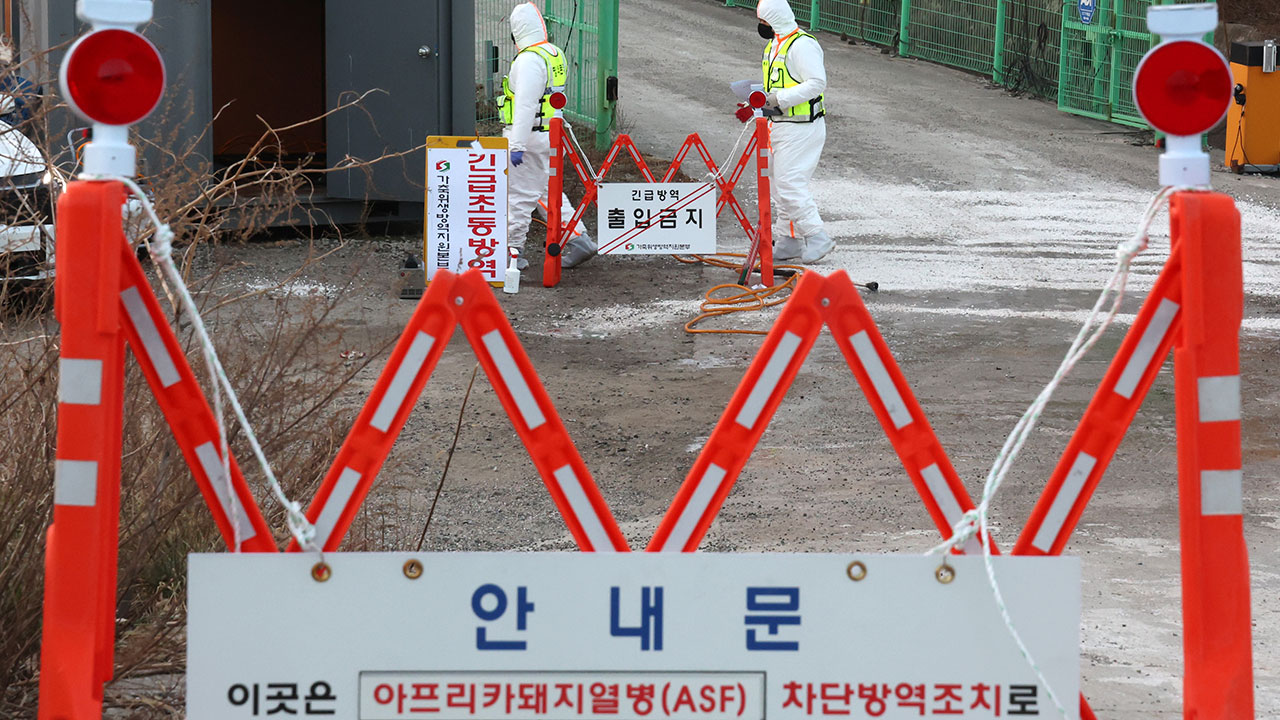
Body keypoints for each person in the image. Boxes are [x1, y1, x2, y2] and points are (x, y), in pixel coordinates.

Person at [499, 2, 596, 271]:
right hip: (550, 136)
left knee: (518, 196)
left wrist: (516, 145)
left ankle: (512, 253)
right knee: (545, 192)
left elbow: (526, 106)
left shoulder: (528, 60)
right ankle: (578, 239)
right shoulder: (553, 53)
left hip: (529, 139)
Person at [755, 0, 834, 264]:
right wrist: (758, 101)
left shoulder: (802, 45)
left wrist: (779, 99)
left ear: (774, 19)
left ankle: (817, 236)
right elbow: (774, 86)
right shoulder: (775, 45)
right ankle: (788, 239)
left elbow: (816, 83)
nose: (761, 27)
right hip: (780, 124)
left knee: (790, 184)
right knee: (778, 185)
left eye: (764, 21)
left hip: (801, 127)